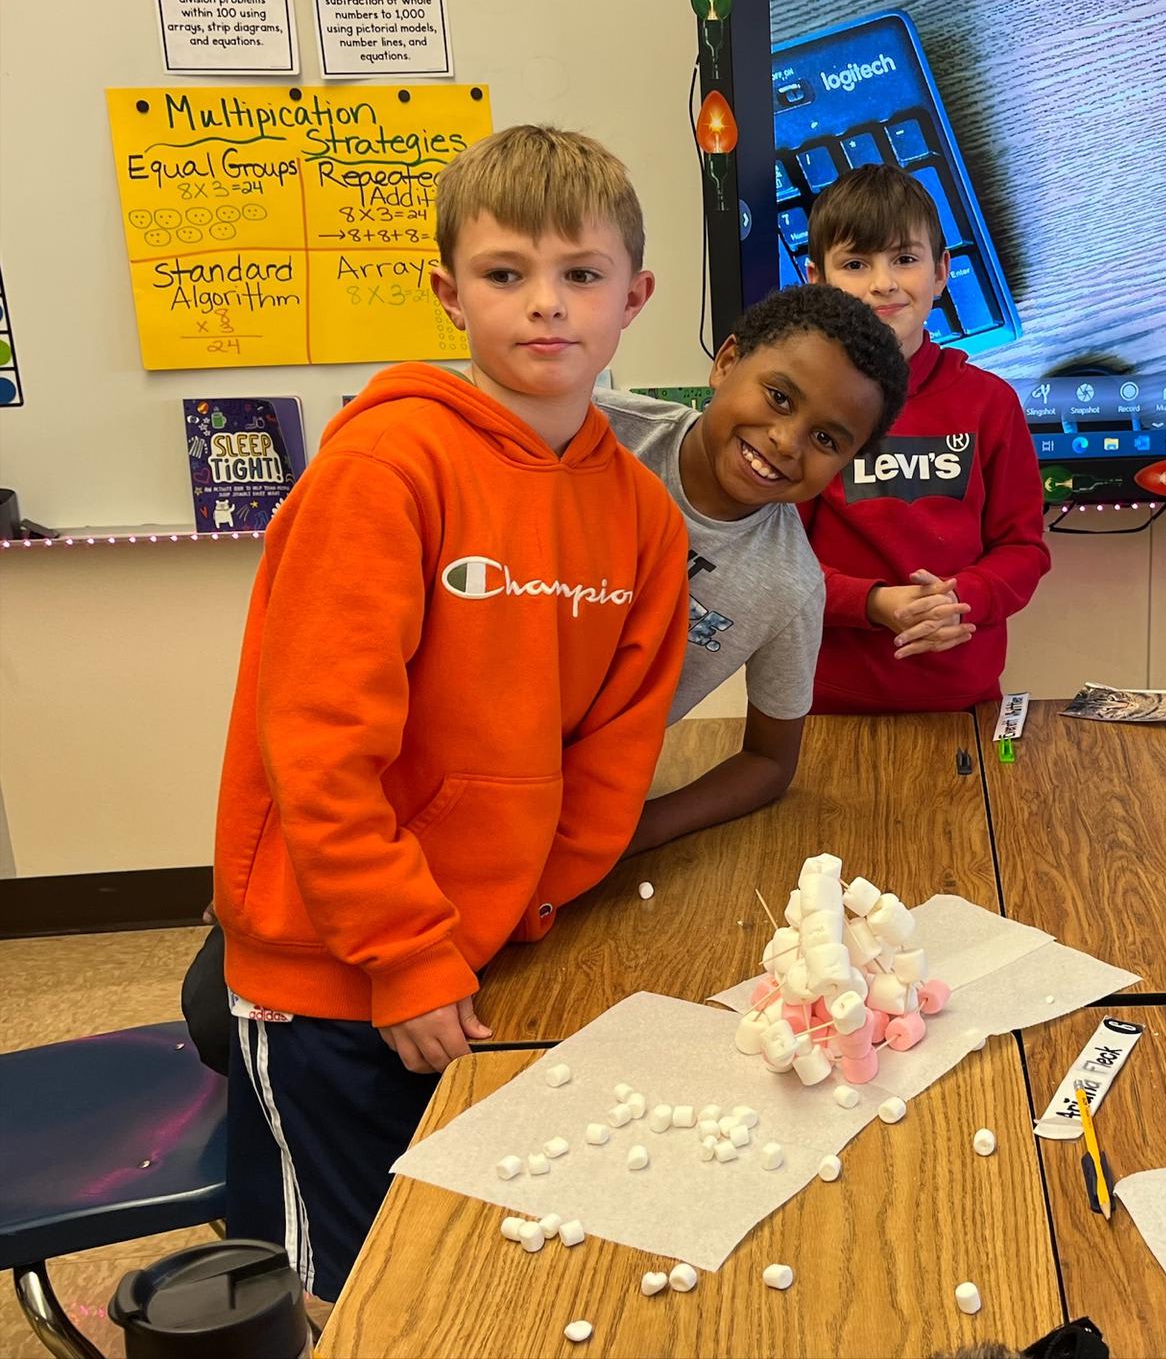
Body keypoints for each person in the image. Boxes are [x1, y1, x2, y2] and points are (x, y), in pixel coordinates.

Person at [212, 124, 689, 1300]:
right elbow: (318, 748)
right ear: (448, 293)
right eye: (505, 273)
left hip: (491, 955)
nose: (547, 304)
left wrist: (518, 911)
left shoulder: (642, 515)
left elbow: (614, 754)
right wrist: (409, 953)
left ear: (634, 298)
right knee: (354, 1287)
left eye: (581, 274)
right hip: (331, 975)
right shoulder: (386, 468)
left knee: (462, 1267)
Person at [601, 284, 910, 851]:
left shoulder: (791, 589)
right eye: (779, 398)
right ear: (727, 362)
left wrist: (637, 831)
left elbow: (770, 762)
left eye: (826, 439)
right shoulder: (597, 430)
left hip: (583, 800)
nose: (787, 442)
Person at [800, 164, 1050, 713]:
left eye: (904, 259)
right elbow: (777, 561)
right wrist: (872, 603)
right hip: (821, 705)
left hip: (966, 704)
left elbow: (1023, 550)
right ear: (817, 280)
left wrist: (961, 599)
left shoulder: (990, 403)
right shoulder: (801, 405)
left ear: (941, 272)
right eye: (856, 264)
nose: (883, 283)